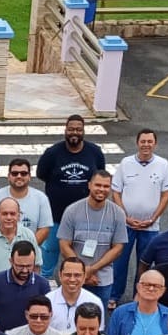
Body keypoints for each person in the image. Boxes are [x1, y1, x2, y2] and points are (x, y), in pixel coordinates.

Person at [37, 114, 107, 278]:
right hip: (56, 217)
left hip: (85, 217)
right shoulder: (52, 153)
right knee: (49, 255)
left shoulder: (95, 152)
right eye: (71, 129)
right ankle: (43, 286)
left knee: (82, 257)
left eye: (78, 129)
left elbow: (100, 177)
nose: (74, 132)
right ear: (65, 130)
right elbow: (42, 174)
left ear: (83, 131)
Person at [110, 129, 168, 305]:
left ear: (155, 144)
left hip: (150, 227)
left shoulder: (163, 164)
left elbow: (166, 195)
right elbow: (116, 192)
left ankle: (138, 298)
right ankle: (114, 296)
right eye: (143, 141)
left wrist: (153, 218)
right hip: (126, 225)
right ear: (137, 143)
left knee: (144, 264)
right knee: (120, 263)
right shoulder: (126, 163)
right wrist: (125, 217)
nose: (146, 145)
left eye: (150, 141)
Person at [57, 170, 128, 292]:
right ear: (89, 185)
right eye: (98, 185)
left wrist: (92, 270)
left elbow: (118, 249)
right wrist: (82, 272)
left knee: (100, 311)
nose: (101, 189)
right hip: (73, 278)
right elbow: (64, 246)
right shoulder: (72, 210)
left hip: (102, 280)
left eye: (106, 186)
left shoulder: (118, 213)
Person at [0, 241, 51, 332]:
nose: (24, 270)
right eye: (20, 266)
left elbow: (46, 315)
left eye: (29, 266)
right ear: (11, 261)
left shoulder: (42, 284)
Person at [0, 158, 52, 247]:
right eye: (14, 173)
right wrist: (4, 249)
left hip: (30, 253)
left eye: (23, 173)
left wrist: (28, 249)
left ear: (29, 177)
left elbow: (44, 229)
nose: (19, 176)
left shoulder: (41, 198)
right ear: (9, 176)